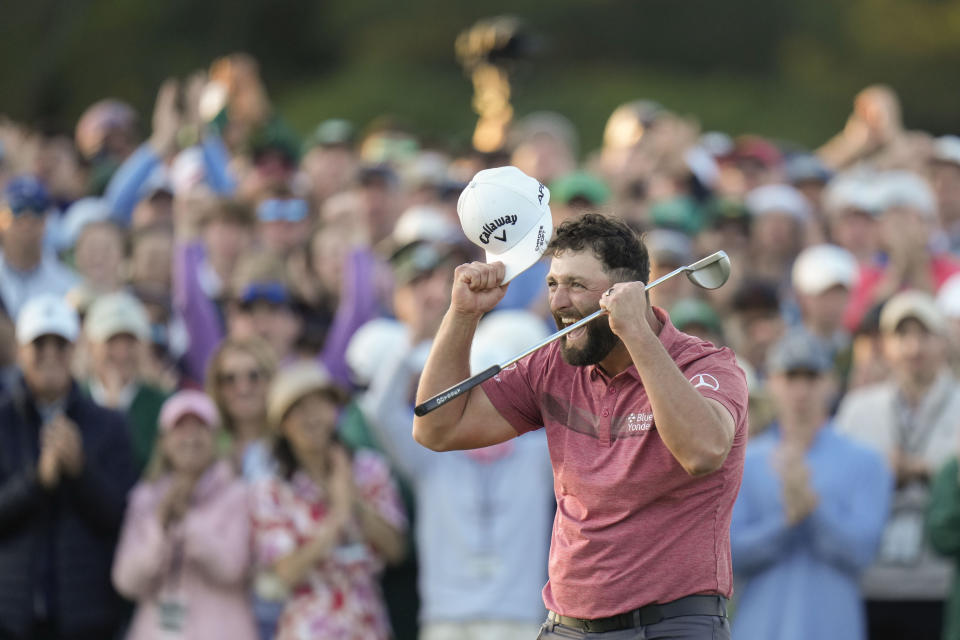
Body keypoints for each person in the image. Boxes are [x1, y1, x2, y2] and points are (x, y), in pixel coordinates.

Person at [414, 209, 748, 639]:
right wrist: (462, 314)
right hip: (567, 627)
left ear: (631, 293)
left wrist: (637, 335)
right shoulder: (553, 365)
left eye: (576, 285)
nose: (558, 302)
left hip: (673, 626)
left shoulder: (707, 366)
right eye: (553, 284)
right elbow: (435, 429)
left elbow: (703, 451)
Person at [730, 331, 891, 640]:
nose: (801, 390)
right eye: (791, 377)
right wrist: (787, 521)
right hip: (760, 627)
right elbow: (730, 556)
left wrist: (811, 508)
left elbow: (863, 551)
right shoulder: (744, 462)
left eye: (812, 377)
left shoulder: (866, 461)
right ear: (772, 383)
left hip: (834, 626)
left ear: (831, 383)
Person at [0, 294, 136, 639]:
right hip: (12, 616)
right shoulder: (2, 421)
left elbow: (120, 517)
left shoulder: (109, 425)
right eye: (39, 344)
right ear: (20, 351)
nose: (49, 354)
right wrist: (38, 481)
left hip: (87, 617)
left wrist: (79, 470)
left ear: (74, 350)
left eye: (59, 344)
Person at [835, 290, 960, 640]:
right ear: (886, 346)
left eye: (925, 335)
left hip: (941, 581)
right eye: (902, 336)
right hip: (870, 581)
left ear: (944, 342)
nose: (913, 348)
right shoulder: (859, 409)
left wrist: (923, 469)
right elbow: (837, 483)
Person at [250, 362, 407, 640]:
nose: (311, 417)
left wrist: (354, 501)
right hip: (308, 627)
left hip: (367, 621)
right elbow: (287, 572)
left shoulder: (369, 469)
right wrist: (339, 516)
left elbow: (396, 550)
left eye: (320, 404)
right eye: (299, 409)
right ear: (282, 424)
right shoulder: (273, 489)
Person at [112, 390, 258, 640]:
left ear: (215, 438)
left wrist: (188, 524)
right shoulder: (145, 498)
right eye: (180, 428)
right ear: (163, 441)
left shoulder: (238, 495)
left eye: (200, 428)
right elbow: (126, 581)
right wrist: (159, 526)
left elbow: (233, 568)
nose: (190, 437)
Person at [82, 291, 169, 473]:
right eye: (111, 341)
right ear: (91, 345)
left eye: (130, 341)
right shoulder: (75, 398)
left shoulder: (162, 404)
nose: (122, 353)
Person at [0, 176, 78, 319]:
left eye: (37, 210)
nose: (27, 221)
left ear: (46, 220)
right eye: (17, 210)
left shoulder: (67, 284)